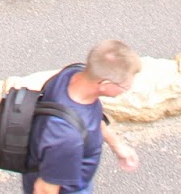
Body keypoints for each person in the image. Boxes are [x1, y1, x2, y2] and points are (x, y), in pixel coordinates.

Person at [23, 40, 142, 194]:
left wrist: (117, 146)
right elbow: (44, 189)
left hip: (69, 172)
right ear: (105, 84)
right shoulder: (65, 136)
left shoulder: (72, 74)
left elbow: (91, 118)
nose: (128, 89)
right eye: (125, 86)